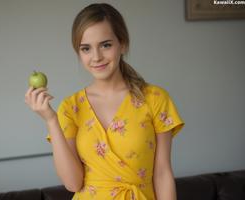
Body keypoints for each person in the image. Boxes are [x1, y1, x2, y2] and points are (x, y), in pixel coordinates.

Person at [25, 3, 184, 200]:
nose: (96, 57)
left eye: (106, 45)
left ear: (122, 44)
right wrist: (50, 120)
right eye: (86, 49)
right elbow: (73, 183)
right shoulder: (70, 107)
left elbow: (162, 173)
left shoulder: (155, 99)